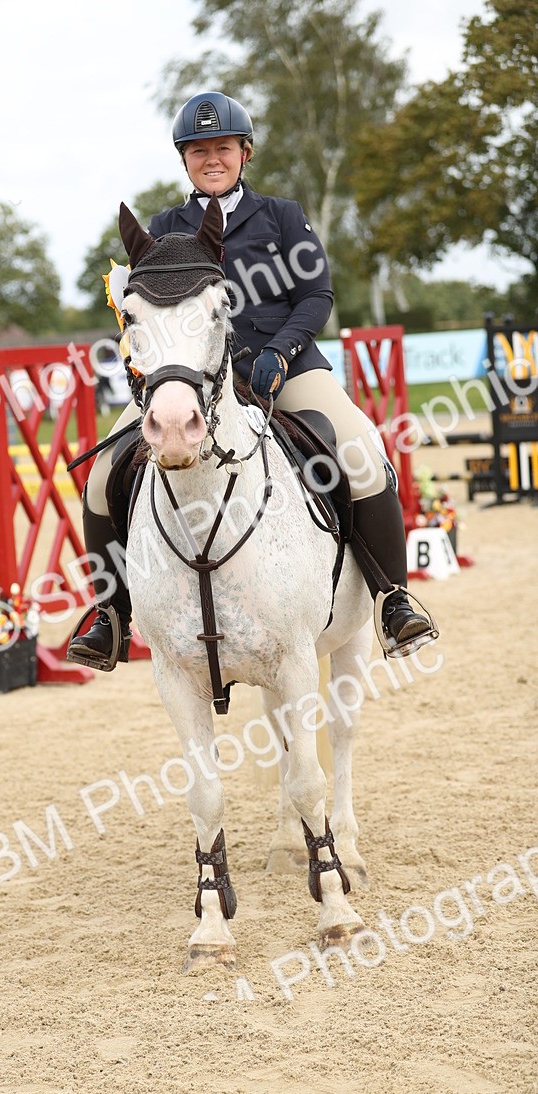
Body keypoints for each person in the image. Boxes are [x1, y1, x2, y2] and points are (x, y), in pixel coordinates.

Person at [69, 90, 437, 669]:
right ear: (183, 160)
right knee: (101, 476)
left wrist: (284, 351)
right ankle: (109, 616)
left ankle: (393, 599)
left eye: (222, 148)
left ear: (244, 153)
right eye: (198, 151)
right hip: (191, 382)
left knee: (364, 453)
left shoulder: (282, 216)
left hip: (280, 369)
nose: (211, 159)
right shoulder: (164, 229)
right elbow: (143, 314)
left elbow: (317, 294)